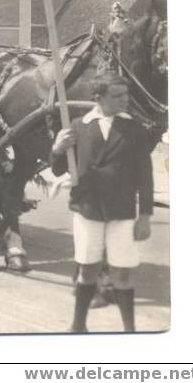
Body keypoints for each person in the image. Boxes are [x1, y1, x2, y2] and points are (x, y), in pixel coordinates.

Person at [51, 72, 154, 333]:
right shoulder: (78, 126)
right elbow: (59, 168)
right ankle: (78, 326)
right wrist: (57, 149)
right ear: (98, 98)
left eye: (126, 94)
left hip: (122, 212)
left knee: (122, 273)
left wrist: (145, 216)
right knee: (88, 270)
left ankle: (129, 330)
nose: (125, 100)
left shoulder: (134, 129)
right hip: (88, 209)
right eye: (117, 95)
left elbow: (145, 177)